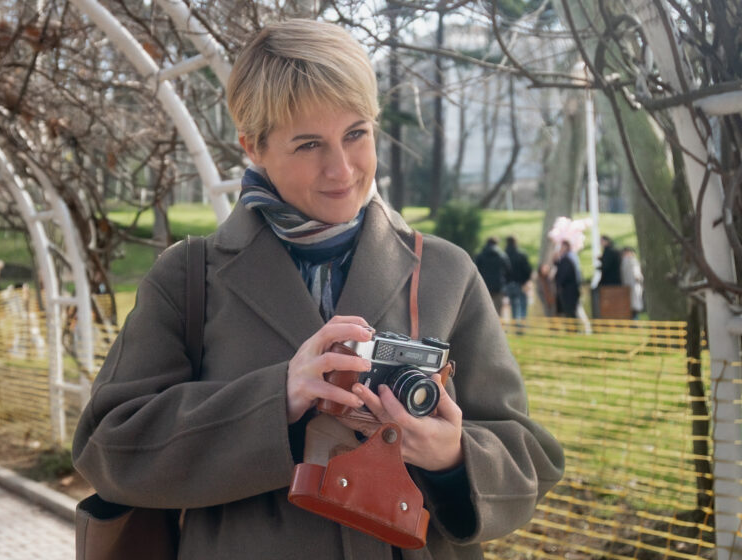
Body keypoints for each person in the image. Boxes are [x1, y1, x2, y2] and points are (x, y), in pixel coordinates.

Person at [72, 19, 563, 560]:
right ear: (253, 146)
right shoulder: (189, 277)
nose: (341, 169)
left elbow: (529, 458)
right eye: (309, 144)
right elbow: (108, 448)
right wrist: (277, 399)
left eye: (356, 133)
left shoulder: (446, 272)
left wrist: (453, 458)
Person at [474, 237, 511, 315]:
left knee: (484, 311)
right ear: (497, 243)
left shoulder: (480, 255)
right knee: (498, 311)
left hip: (484, 286)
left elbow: (475, 270)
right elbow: (508, 270)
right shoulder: (502, 255)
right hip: (498, 286)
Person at [504, 236, 532, 321]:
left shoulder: (503, 255)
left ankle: (512, 323)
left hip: (507, 284)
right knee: (521, 305)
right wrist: (525, 281)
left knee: (508, 306)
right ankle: (520, 325)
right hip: (520, 284)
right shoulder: (521, 255)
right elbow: (527, 270)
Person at [554, 240, 581, 318]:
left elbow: (564, 274)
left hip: (569, 291)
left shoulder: (568, 258)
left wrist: (558, 283)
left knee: (571, 311)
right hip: (569, 290)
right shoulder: (565, 259)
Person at [620, 247, 644, 319]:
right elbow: (637, 276)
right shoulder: (633, 261)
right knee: (634, 308)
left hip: (625, 287)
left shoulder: (622, 262)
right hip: (634, 287)